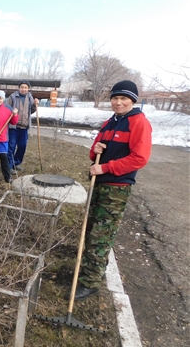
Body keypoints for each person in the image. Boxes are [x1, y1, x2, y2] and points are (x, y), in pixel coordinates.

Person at [70, 80, 152, 300]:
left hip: (115, 189)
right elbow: (96, 148)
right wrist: (94, 150)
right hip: (99, 184)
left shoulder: (138, 123)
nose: (118, 102)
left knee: (101, 236)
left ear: (132, 100)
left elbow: (139, 158)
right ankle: (89, 270)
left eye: (123, 98)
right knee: (90, 230)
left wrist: (105, 167)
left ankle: (90, 282)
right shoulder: (110, 122)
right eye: (115, 98)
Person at [6, 80, 39, 174]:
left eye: (25, 87)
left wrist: (34, 105)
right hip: (13, 126)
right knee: (11, 146)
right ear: (19, 88)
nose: (24, 89)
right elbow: (7, 109)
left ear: (28, 89)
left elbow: (31, 111)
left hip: (24, 126)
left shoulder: (30, 97)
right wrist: (12, 113)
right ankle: (9, 166)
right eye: (22, 87)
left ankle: (16, 163)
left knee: (22, 146)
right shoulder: (12, 97)